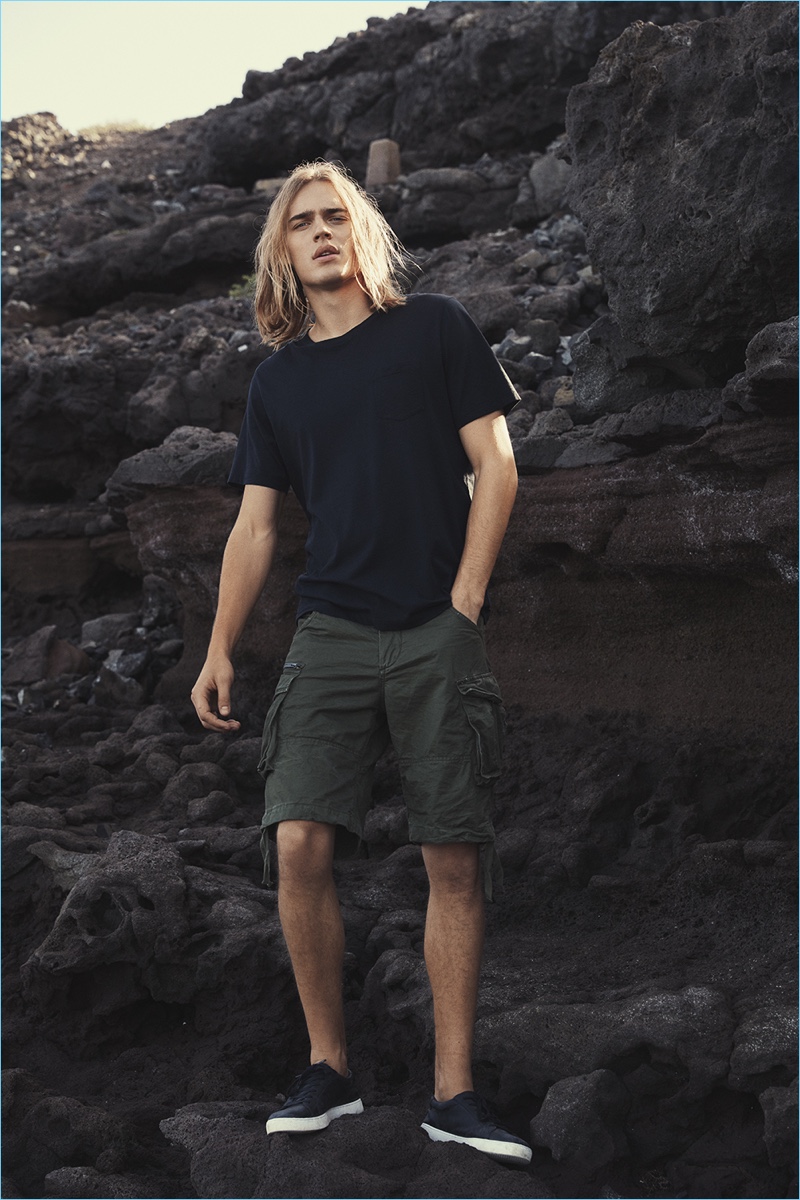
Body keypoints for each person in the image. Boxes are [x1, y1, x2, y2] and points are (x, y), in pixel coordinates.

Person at [190, 160, 530, 1166]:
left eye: (337, 216)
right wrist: (217, 647)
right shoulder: (278, 383)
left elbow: (497, 464)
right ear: (283, 251)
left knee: (451, 856)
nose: (322, 232)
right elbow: (256, 528)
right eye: (302, 222)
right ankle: (329, 1069)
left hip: (435, 626)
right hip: (331, 630)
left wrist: (464, 603)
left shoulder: (434, 330)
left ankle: (454, 1094)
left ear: (362, 232)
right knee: (297, 841)